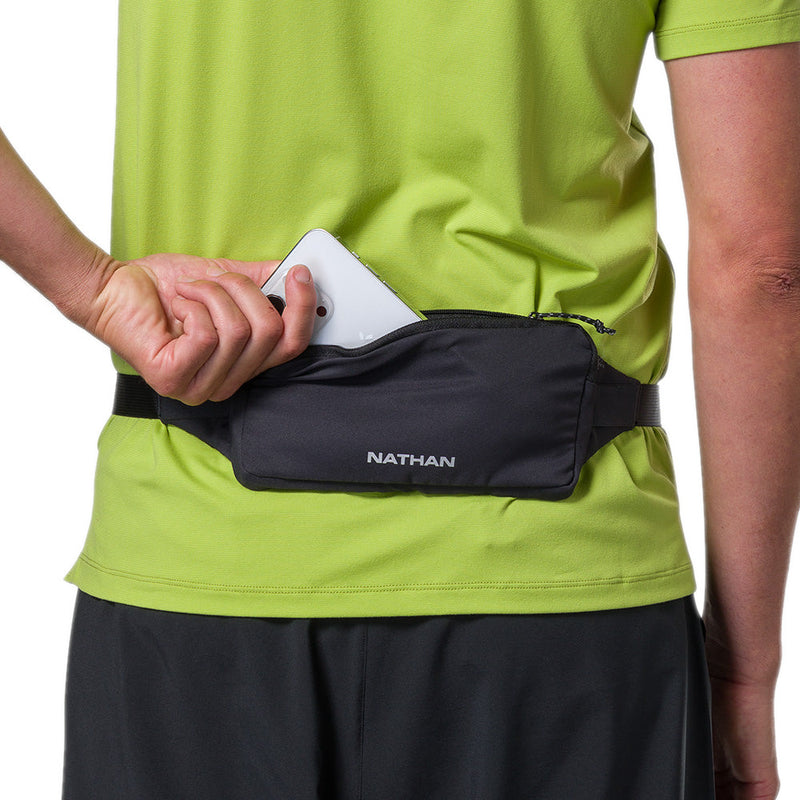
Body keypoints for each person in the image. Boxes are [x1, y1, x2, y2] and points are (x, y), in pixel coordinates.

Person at [1, 2, 798, 798]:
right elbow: (762, 267)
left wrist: (94, 289)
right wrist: (743, 670)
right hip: (560, 584)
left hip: (200, 564)